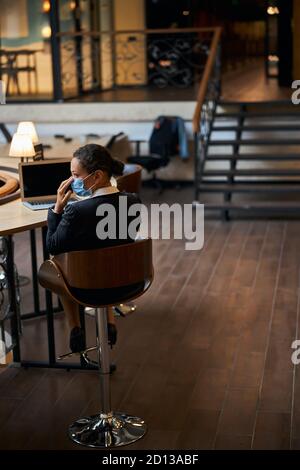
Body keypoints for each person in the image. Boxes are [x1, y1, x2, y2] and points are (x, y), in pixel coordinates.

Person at [46, 144, 140, 353]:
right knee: (108, 256)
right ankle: (110, 324)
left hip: (86, 287)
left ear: (96, 177)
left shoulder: (76, 211)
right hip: (127, 282)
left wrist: (57, 210)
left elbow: (51, 244)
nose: (72, 182)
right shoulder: (133, 201)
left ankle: (75, 326)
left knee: (58, 259)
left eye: (75, 175)